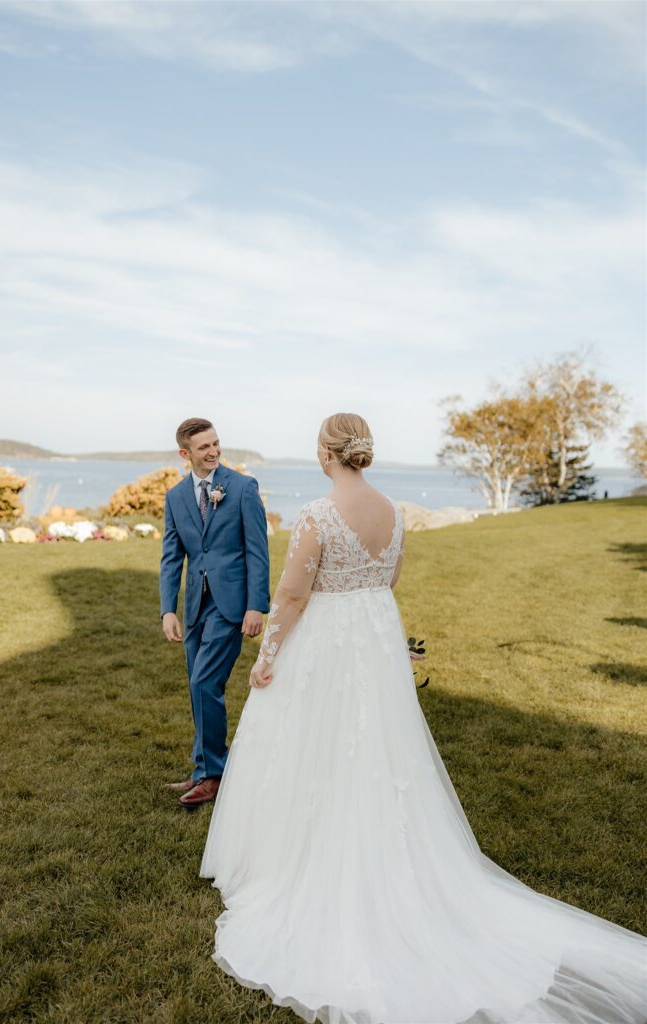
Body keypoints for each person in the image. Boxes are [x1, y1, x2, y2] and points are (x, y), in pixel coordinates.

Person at [198, 411, 647, 1024]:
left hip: (329, 645)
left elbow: (295, 596)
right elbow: (389, 581)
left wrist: (266, 657)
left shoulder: (318, 514)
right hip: (375, 640)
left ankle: (307, 862)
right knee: (377, 749)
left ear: (328, 452)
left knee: (317, 745)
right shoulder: (394, 512)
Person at [159, 417, 270, 809]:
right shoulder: (175, 498)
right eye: (204, 447)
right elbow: (172, 557)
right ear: (184, 453)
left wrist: (257, 604)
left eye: (216, 443)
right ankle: (204, 766)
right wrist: (166, 610)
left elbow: (258, 549)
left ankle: (214, 775)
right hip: (195, 606)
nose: (213, 451)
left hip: (231, 603)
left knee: (204, 682)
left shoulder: (242, 488)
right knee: (198, 686)